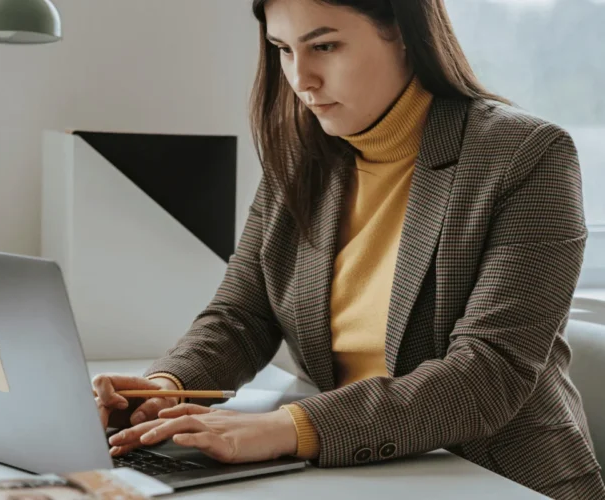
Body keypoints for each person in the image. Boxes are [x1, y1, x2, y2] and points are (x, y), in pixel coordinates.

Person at [92, 1, 605, 499]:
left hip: (495, 478)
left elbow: (487, 374)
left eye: (325, 46)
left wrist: (288, 428)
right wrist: (165, 386)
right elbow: (240, 318)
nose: (301, 79)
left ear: (403, 32)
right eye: (283, 50)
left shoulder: (527, 156)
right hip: (357, 472)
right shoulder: (299, 159)